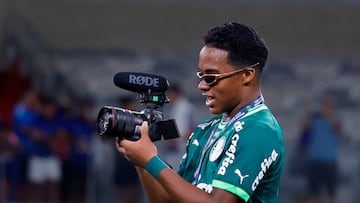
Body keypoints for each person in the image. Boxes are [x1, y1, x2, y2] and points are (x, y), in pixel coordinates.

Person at [116, 22, 286, 203]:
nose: (202, 86)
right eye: (201, 76)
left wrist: (151, 160)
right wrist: (142, 162)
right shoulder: (205, 129)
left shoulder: (259, 130)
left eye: (211, 77)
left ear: (246, 75)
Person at [300, 93, 342, 203]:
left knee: (331, 194)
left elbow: (338, 128)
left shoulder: (336, 119)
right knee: (314, 194)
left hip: (329, 161)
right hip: (315, 160)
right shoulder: (315, 120)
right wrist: (309, 113)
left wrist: (328, 115)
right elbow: (304, 127)